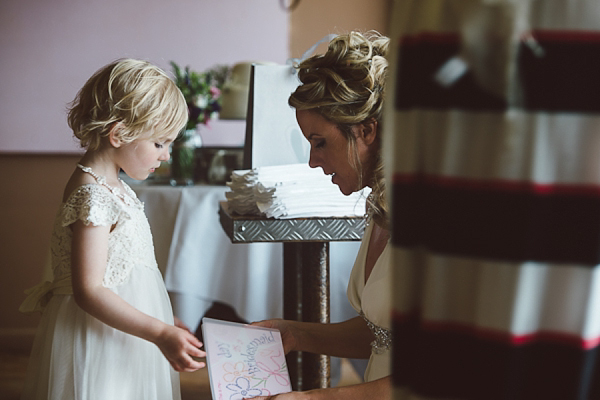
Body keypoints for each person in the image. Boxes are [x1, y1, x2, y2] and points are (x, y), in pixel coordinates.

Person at [19, 59, 205, 400]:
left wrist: (160, 317)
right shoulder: (93, 195)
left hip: (124, 334)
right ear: (119, 134)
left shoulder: (110, 185)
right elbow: (89, 289)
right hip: (99, 339)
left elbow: (127, 274)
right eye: (160, 143)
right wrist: (158, 331)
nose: (165, 156)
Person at [250, 31, 392, 399]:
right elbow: (382, 336)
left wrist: (313, 398)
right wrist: (296, 333)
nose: (313, 161)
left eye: (320, 142)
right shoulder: (381, 211)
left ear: (366, 130)